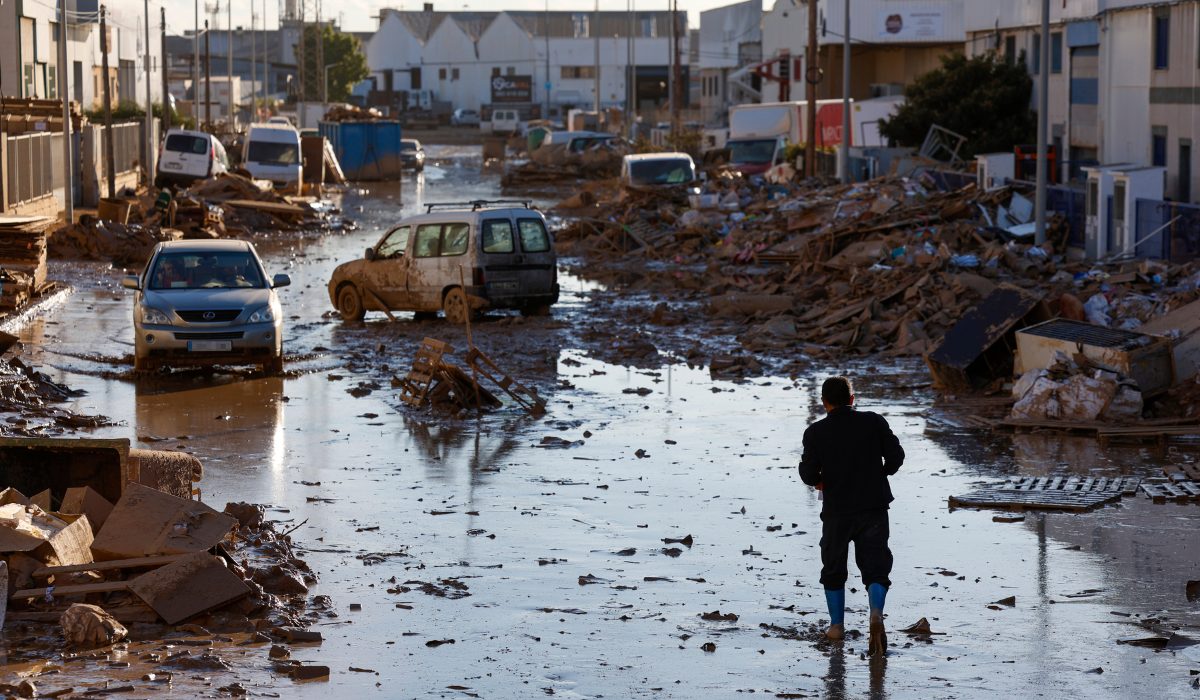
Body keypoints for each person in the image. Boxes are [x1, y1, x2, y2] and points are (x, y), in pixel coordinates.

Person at [798, 376, 904, 656]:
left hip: (837, 512)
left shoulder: (815, 432)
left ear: (824, 403)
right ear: (852, 400)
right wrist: (879, 474)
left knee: (833, 569)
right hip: (874, 507)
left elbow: (808, 475)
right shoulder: (874, 421)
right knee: (876, 567)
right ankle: (876, 612)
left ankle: (836, 626)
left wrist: (822, 479)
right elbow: (896, 456)